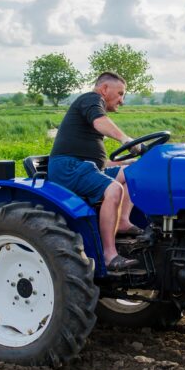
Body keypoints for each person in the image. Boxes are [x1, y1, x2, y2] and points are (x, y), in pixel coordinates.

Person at [47, 72, 142, 272]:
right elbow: (100, 122)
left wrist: (130, 161)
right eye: (120, 94)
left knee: (134, 173)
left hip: (85, 167)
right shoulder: (91, 99)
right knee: (114, 189)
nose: (122, 101)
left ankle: (123, 222)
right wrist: (125, 139)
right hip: (69, 168)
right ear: (105, 89)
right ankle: (109, 255)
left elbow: (96, 161)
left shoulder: (89, 113)